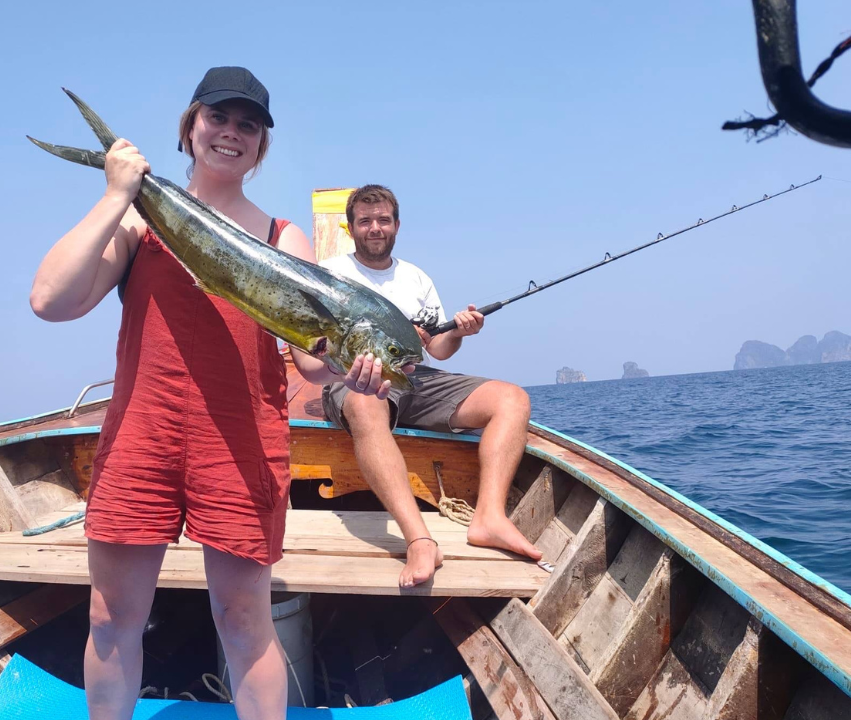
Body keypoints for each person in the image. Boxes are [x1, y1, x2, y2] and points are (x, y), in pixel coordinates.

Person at [29, 67, 387, 720]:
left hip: (240, 442)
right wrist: (118, 194)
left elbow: (311, 360)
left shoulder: (285, 238)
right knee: (111, 616)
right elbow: (49, 300)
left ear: (261, 145)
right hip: (143, 435)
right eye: (217, 117)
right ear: (190, 127)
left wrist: (348, 368)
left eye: (248, 124)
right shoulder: (141, 225)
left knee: (245, 619)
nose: (231, 132)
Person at [320, 185, 543, 589]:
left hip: (416, 380)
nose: (375, 228)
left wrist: (460, 332)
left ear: (397, 226)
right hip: (355, 379)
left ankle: (490, 518)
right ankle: (419, 539)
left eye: (383, 220)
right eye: (365, 221)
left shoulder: (415, 276)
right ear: (350, 228)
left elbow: (438, 350)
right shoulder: (333, 273)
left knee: (512, 398)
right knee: (368, 404)